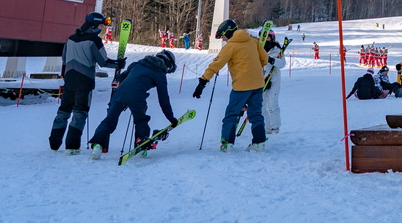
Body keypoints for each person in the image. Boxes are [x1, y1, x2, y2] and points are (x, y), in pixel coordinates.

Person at [192, 20, 269, 152]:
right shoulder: (253, 41)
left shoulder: (231, 46)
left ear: (228, 32)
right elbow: (265, 59)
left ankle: (227, 143)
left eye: (223, 36)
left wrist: (203, 81)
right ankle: (259, 143)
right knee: (256, 114)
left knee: (231, 115)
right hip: (257, 84)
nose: (224, 39)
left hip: (241, 86)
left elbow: (216, 64)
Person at [49, 13, 120, 150]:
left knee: (63, 111)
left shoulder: (71, 38)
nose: (101, 29)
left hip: (69, 79)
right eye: (100, 26)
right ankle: (72, 146)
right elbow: (103, 61)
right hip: (85, 81)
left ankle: (54, 143)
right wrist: (118, 64)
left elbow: (64, 59)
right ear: (94, 25)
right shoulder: (94, 40)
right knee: (79, 113)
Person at [88, 50, 179, 157]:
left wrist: (125, 90)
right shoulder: (159, 72)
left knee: (109, 120)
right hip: (138, 95)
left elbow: (121, 77)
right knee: (141, 119)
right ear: (167, 63)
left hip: (119, 93)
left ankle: (97, 145)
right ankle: (140, 144)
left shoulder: (138, 64)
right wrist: (170, 117)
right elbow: (163, 98)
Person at [262, 32, 287, 134]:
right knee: (261, 106)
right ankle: (266, 128)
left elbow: (282, 63)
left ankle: (275, 127)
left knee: (272, 104)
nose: (266, 40)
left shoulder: (276, 49)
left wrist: (272, 60)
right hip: (261, 80)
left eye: (268, 38)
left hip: (274, 79)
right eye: (264, 38)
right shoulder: (258, 49)